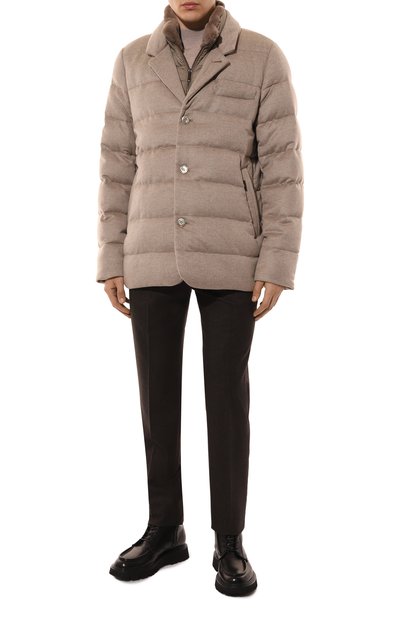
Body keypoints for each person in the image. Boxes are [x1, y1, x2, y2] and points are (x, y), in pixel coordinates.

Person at [96, 0, 303, 597]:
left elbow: (281, 166)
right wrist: (112, 255)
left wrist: (277, 261)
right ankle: (165, 529)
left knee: (227, 401)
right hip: (151, 249)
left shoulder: (261, 56)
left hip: (233, 251)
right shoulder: (132, 60)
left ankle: (229, 539)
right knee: (156, 398)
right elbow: (117, 163)